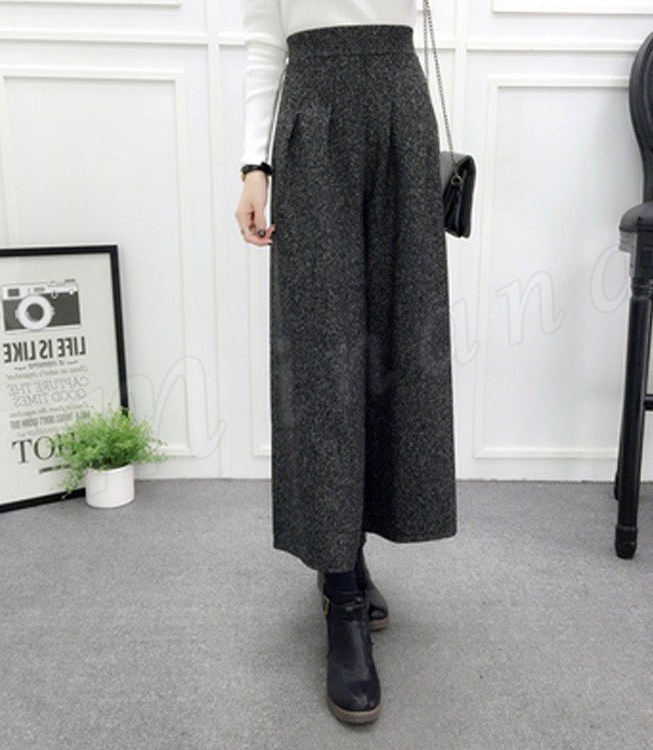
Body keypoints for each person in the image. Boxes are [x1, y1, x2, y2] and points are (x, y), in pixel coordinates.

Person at [235, 0, 457, 724]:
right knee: (322, 351)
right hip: (312, 109)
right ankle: (341, 594)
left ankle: (351, 548)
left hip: (398, 103)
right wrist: (254, 164)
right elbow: (263, 41)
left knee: (397, 341)